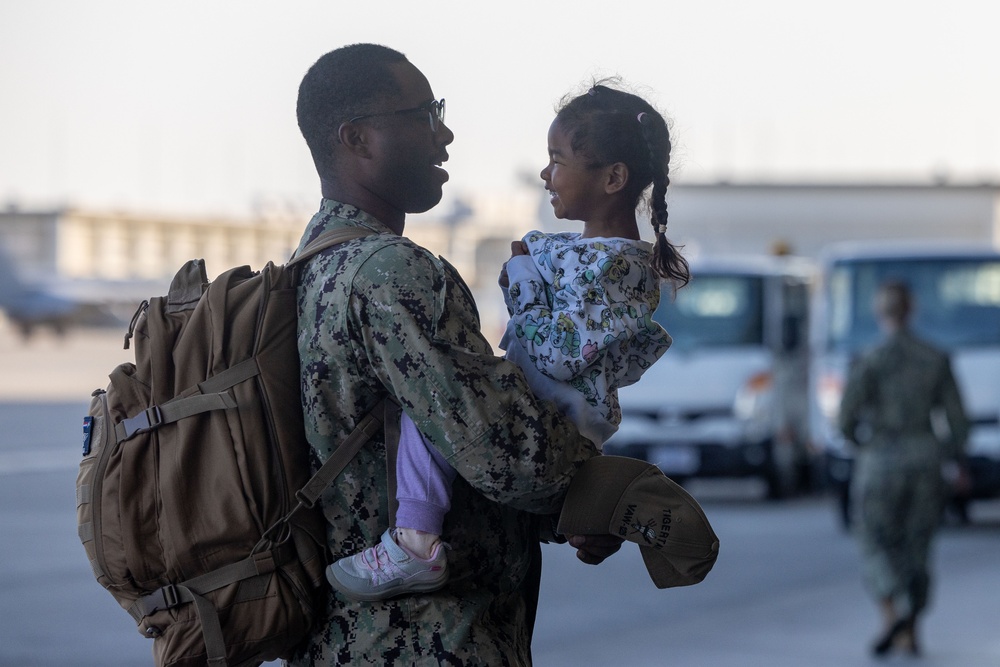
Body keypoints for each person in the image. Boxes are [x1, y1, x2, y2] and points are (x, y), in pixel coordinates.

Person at [290, 43, 622, 666]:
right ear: (356, 138)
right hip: (428, 642)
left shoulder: (313, 265)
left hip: (345, 640)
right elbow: (508, 457)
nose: (445, 132)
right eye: (422, 114)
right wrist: (599, 493)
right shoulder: (394, 272)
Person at [327, 81, 688, 602]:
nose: (546, 175)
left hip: (554, 412)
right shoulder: (583, 253)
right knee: (430, 411)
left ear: (613, 177)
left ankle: (415, 542)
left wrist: (524, 281)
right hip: (542, 410)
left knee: (431, 406)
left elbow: (560, 353)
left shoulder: (618, 266)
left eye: (557, 160)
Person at [839, 280, 969, 657]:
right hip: (926, 459)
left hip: (879, 461)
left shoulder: (869, 360)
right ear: (910, 311)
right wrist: (947, 454)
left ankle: (893, 604)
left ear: (881, 314)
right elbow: (958, 424)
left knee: (873, 540)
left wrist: (865, 445)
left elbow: (846, 420)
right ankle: (911, 626)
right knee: (918, 548)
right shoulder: (935, 358)